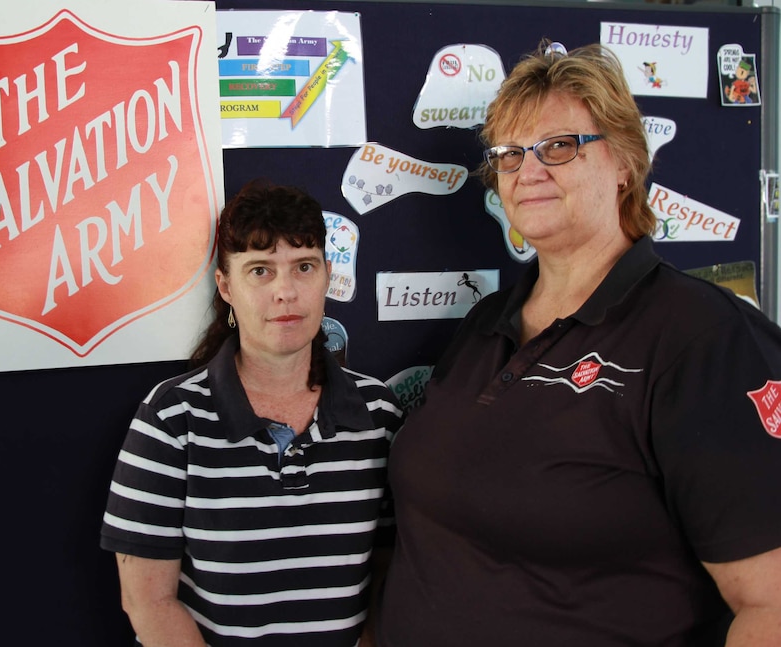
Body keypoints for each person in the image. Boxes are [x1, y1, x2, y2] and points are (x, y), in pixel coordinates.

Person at [376, 40, 781, 646]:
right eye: (510, 155)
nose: (528, 171)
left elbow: (770, 603)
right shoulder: (487, 323)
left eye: (559, 147)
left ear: (625, 162)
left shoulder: (704, 340)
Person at [101, 180, 403, 647]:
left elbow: (391, 569)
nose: (286, 291)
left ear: (327, 276)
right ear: (226, 287)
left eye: (304, 267)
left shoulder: (378, 413)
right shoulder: (171, 418)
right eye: (260, 271)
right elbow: (148, 602)